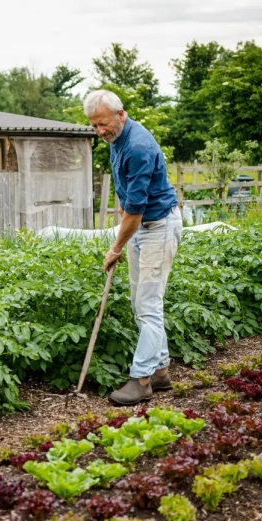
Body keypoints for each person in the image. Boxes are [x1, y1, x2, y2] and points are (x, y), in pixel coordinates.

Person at [83, 89, 182, 406]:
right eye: (94, 126)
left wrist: (114, 248)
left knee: (148, 307)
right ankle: (161, 371)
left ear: (120, 114)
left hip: (157, 227)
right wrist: (123, 224)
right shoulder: (116, 140)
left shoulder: (137, 146)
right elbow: (125, 195)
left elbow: (136, 212)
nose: (100, 131)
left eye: (103, 124)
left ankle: (141, 380)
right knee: (143, 304)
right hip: (141, 226)